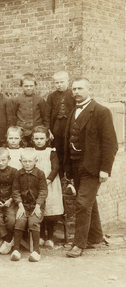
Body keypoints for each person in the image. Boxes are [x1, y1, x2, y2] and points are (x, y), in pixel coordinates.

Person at [64, 78, 118, 258]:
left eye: (80, 88)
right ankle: (95, 236)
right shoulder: (74, 111)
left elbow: (110, 144)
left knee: (82, 203)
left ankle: (79, 244)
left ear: (89, 89)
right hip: (76, 165)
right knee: (88, 201)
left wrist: (105, 169)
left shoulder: (102, 111)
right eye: (74, 89)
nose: (76, 92)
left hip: (93, 168)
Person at [11, 148, 48, 262]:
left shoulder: (40, 174)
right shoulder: (18, 173)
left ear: (35, 161)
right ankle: (16, 249)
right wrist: (20, 206)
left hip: (36, 206)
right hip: (23, 205)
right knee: (20, 220)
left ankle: (36, 251)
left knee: (33, 222)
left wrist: (38, 206)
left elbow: (43, 192)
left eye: (30, 161)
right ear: (20, 161)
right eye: (24, 161)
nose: (27, 164)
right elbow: (15, 191)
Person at [31, 126, 64, 248]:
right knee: (39, 209)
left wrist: (48, 180)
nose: (39, 141)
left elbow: (55, 168)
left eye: (41, 138)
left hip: (50, 183)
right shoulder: (30, 152)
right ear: (33, 139)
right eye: (36, 138)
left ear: (46, 139)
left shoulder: (51, 151)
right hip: (35, 184)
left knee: (50, 211)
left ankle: (50, 237)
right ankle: (40, 236)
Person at [44, 71, 75, 178]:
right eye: (57, 83)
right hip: (56, 126)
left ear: (68, 81)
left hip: (69, 125)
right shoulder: (51, 96)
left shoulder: (72, 94)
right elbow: (47, 114)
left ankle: (70, 176)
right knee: (58, 149)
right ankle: (60, 175)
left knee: (69, 148)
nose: (59, 85)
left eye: (62, 82)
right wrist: (48, 130)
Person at [11, 73, 48, 144]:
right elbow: (13, 116)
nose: (29, 88)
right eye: (26, 86)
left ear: (35, 86)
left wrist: (45, 129)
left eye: (31, 86)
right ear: (21, 86)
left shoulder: (40, 99)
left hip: (36, 132)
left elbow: (44, 116)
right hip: (22, 131)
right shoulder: (17, 100)